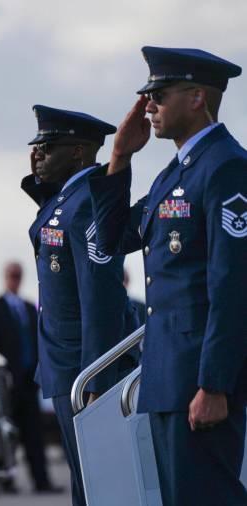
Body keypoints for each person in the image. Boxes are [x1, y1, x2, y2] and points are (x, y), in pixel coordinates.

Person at [89, 46, 247, 506]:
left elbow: (232, 284)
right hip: (166, 376)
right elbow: (113, 242)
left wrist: (215, 384)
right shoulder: (172, 175)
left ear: (197, 97)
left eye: (158, 94)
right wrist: (119, 158)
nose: (148, 106)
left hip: (199, 381)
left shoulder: (226, 168)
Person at [21, 105, 140, 506]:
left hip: (82, 371)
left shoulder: (87, 201)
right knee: (84, 488)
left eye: (48, 146)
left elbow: (100, 297)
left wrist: (96, 379)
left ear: (78, 152)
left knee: (100, 489)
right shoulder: (63, 199)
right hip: (63, 365)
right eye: (35, 146)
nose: (37, 154)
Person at [0, 262, 60, 494]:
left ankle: (41, 480)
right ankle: (6, 481)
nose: (15, 279)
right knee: (7, 435)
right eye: (12, 275)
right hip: (6, 385)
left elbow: (39, 341)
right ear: (5, 277)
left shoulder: (28, 309)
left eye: (18, 275)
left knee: (34, 434)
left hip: (27, 382)